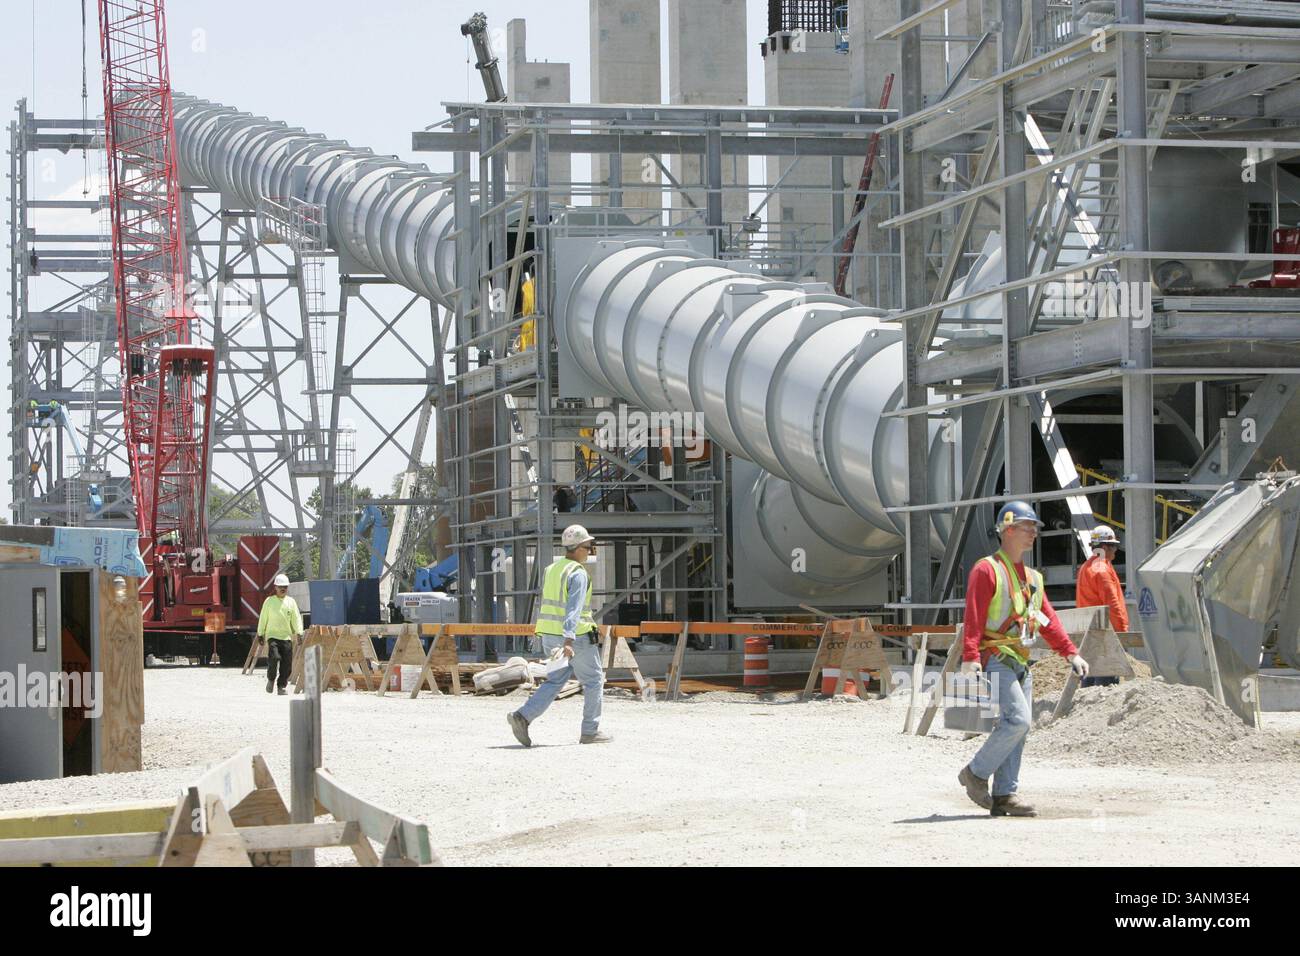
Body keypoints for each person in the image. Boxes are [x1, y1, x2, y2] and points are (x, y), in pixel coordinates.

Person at [957, 501, 1090, 817]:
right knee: (1018, 720)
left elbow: (1047, 619)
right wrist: (971, 656)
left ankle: (1005, 795)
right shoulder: (987, 570)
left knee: (1018, 728)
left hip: (1020, 659)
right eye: (1027, 527)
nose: (1033, 533)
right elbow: (974, 615)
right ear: (1007, 530)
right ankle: (975, 773)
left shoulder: (1032, 578)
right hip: (995, 656)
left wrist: (1070, 652)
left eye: (1034, 528)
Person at [507, 524, 611, 747]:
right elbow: (573, 609)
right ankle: (590, 731)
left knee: (555, 680)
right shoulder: (577, 573)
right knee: (594, 681)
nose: (590, 551)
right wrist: (569, 640)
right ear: (578, 548)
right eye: (588, 547)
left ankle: (523, 716)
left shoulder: (551, 569)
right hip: (575, 639)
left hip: (550, 637)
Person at [1075, 525, 1127, 689]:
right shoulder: (1102, 570)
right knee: (1106, 684)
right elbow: (1113, 606)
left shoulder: (1086, 567)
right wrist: (1122, 633)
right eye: (1114, 546)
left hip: (1090, 633)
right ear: (1104, 547)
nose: (1116, 551)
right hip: (1106, 634)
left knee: (1090, 680)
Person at [257, 573, 303, 695]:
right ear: (275, 587)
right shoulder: (269, 601)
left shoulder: (291, 602)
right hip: (273, 637)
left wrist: (299, 632)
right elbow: (263, 618)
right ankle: (271, 679)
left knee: (287, 664)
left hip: (286, 638)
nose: (283, 589)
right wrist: (260, 633)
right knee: (275, 657)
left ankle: (281, 686)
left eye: (285, 587)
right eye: (280, 586)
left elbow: (296, 618)